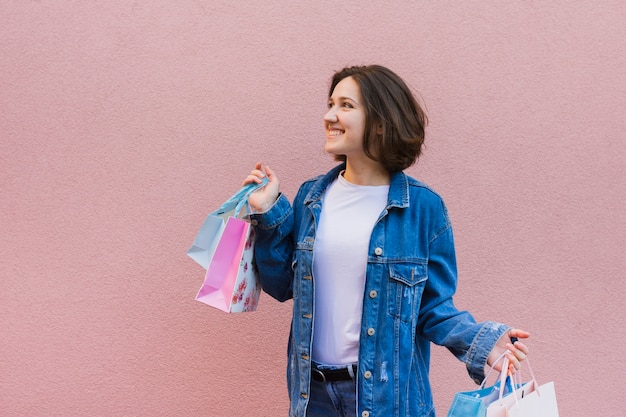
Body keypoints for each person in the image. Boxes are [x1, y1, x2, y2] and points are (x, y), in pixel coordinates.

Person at [243, 65, 529, 417]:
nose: (329, 115)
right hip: (312, 395)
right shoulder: (310, 198)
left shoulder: (423, 208)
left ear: (380, 122)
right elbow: (282, 285)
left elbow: (433, 308)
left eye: (346, 105)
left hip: (386, 399)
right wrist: (268, 212)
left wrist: (481, 342)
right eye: (330, 104)